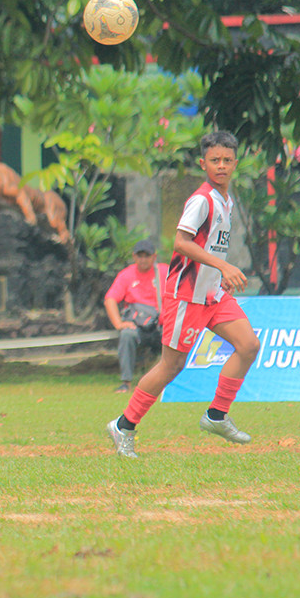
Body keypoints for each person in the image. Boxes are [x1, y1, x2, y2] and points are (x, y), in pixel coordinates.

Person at [107, 131, 260, 459]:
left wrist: (219, 275)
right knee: (171, 365)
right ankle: (123, 425)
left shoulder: (227, 200)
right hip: (186, 295)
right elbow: (181, 242)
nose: (221, 166)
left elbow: (210, 247)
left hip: (212, 294)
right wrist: (223, 266)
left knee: (248, 345)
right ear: (203, 163)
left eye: (227, 160)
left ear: (236, 163)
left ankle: (216, 415)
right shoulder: (201, 200)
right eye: (215, 160)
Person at [104, 239, 169, 393]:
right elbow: (110, 299)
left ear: (154, 257)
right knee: (126, 335)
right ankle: (126, 383)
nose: (143, 260)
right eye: (140, 256)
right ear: (134, 256)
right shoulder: (126, 275)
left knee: (178, 337)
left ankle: (171, 383)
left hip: (162, 326)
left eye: (147, 256)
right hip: (137, 326)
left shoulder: (165, 272)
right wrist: (119, 324)